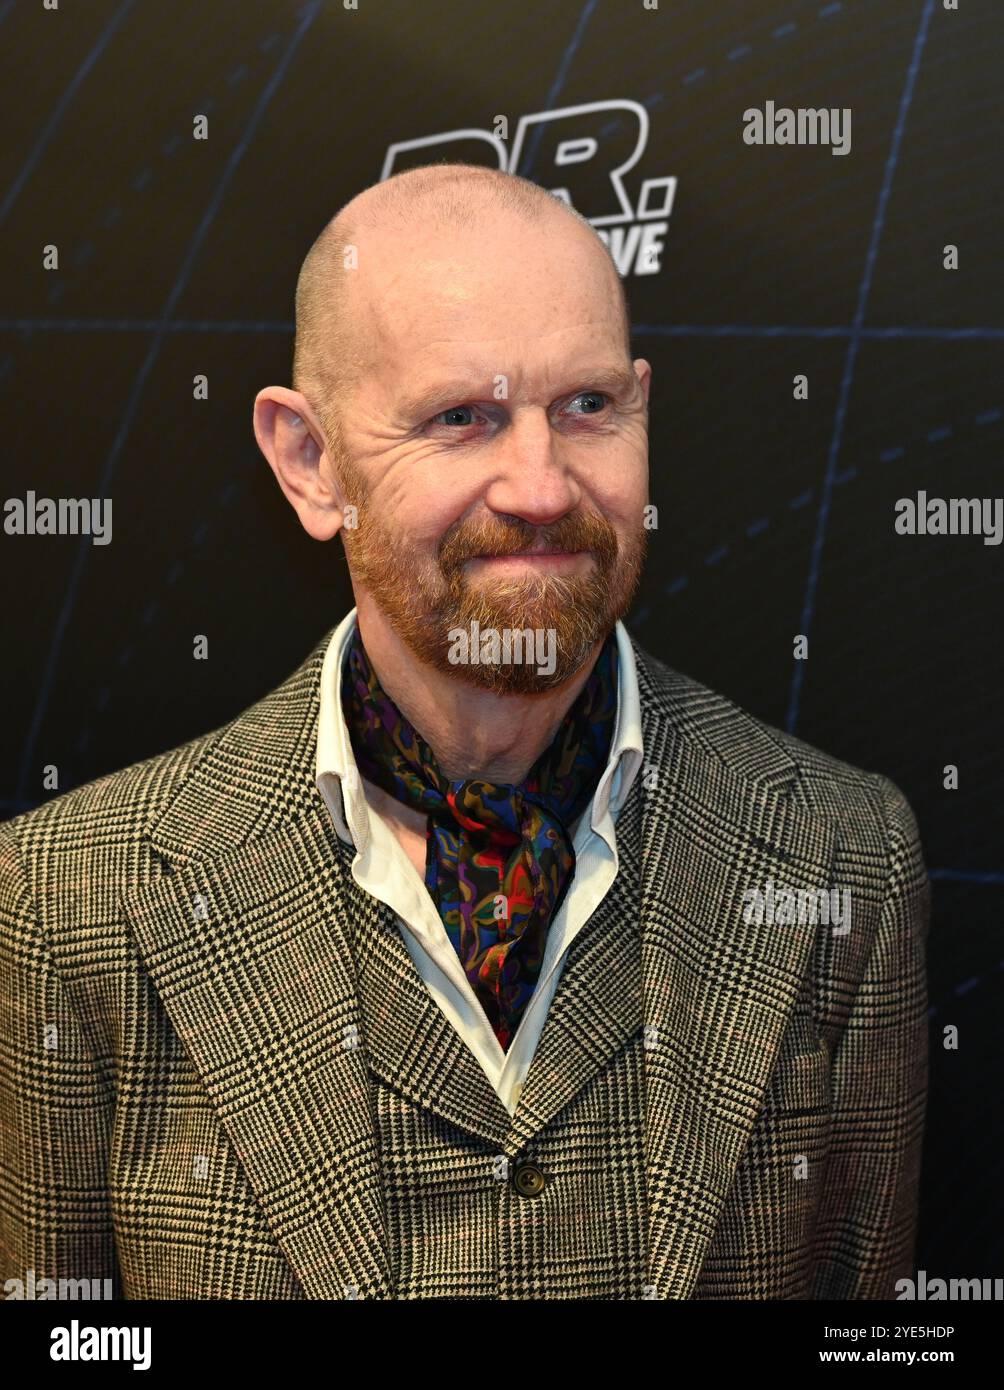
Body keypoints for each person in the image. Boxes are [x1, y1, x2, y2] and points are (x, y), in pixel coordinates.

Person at [0, 163, 929, 1301]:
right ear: (310, 460)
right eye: (461, 418)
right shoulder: (68, 900)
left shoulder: (842, 858)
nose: (538, 485)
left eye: (586, 406)